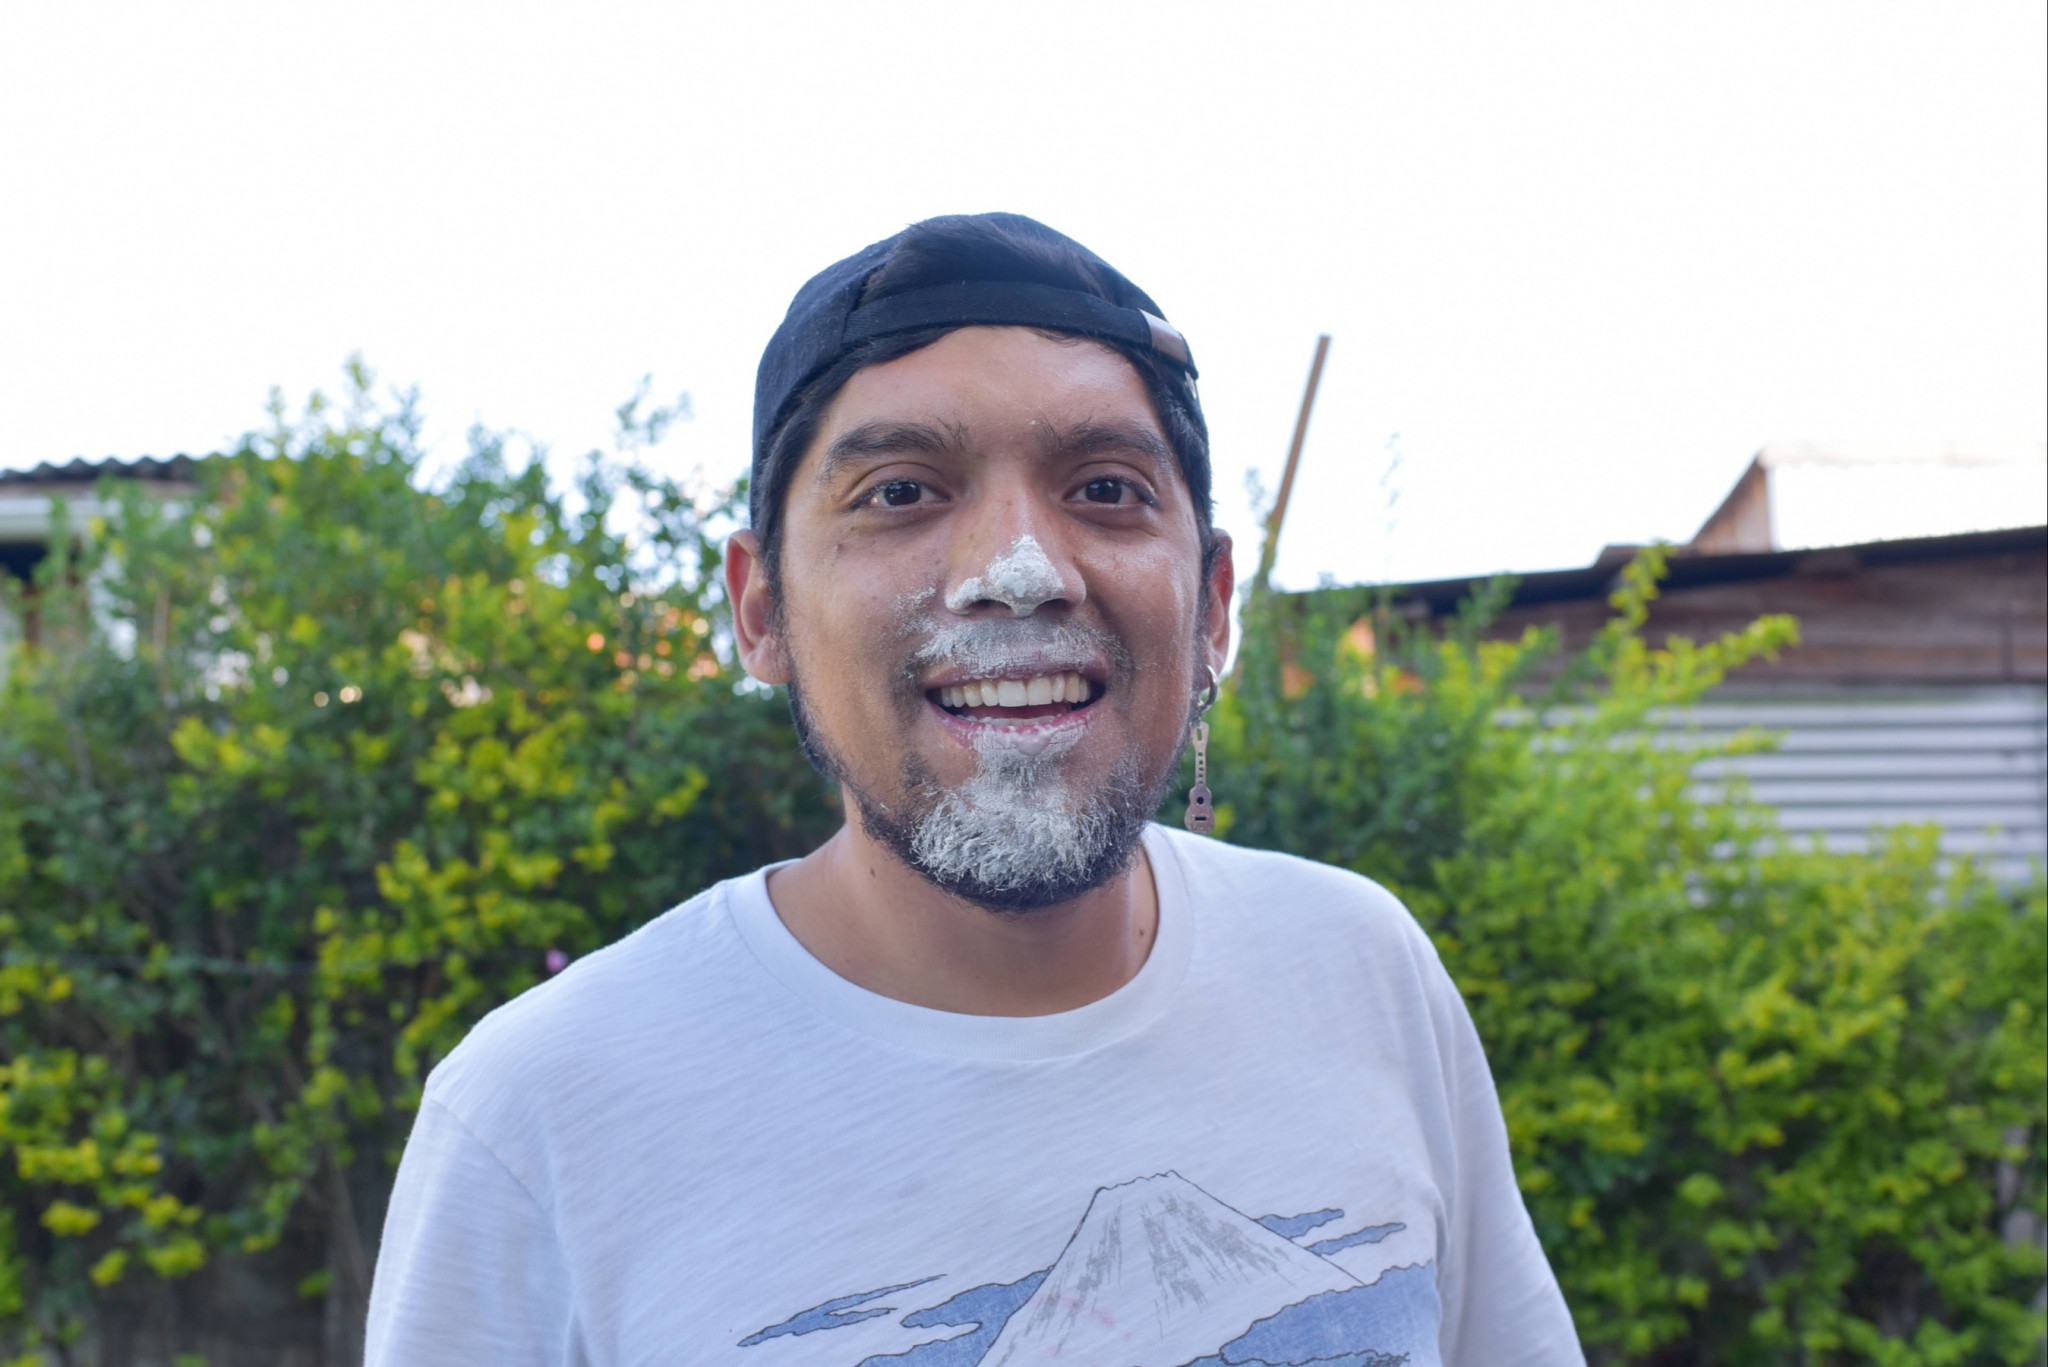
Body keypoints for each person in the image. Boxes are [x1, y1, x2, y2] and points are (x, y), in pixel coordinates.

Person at [365, 212, 1584, 1366]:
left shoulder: (1358, 966)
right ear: (761, 607)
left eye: (1104, 488)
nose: (1018, 569)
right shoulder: (540, 1114)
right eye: (899, 491)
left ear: (1211, 605)